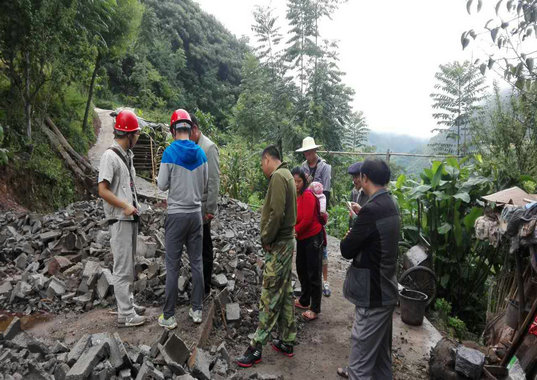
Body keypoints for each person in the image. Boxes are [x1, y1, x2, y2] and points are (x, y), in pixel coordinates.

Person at [338, 159, 400, 380]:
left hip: (373, 295)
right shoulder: (390, 204)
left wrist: (355, 227)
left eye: (359, 177)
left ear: (365, 178)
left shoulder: (371, 211)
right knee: (381, 360)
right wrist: (362, 215)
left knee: (360, 365)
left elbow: (346, 249)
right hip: (386, 290)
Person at [236, 145, 297, 368]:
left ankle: (256, 347)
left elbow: (277, 213)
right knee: (285, 291)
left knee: (269, 294)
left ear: (268, 159)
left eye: (262, 163)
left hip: (279, 243)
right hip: (286, 242)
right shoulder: (288, 175)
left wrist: (267, 238)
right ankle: (288, 340)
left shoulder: (279, 177)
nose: (262, 168)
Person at [157, 109, 208, 328]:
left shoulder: (169, 152)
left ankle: (168, 316)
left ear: (173, 130)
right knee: (197, 263)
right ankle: (197, 310)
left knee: (173, 265)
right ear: (189, 129)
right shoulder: (201, 153)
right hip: (195, 215)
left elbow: (161, 185)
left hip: (176, 215)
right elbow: (205, 185)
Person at [98, 109, 146, 327]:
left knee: (129, 264)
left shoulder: (127, 155)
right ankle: (125, 314)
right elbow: (103, 190)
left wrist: (132, 206)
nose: (137, 137)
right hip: (119, 219)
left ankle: (129, 304)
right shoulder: (110, 156)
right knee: (122, 267)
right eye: (136, 134)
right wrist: (125, 206)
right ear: (129, 135)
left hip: (129, 217)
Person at [296, 136, 333, 297]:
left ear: (315, 151)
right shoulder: (303, 167)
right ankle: (308, 288)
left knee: (320, 249)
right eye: (305, 152)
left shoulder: (324, 167)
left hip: (317, 211)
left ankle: (324, 281)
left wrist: (321, 212)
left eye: (310, 151)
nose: (307, 155)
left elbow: (326, 192)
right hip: (305, 208)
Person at [189, 114, 220, 297]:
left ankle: (205, 287)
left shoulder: (208, 147)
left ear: (194, 129)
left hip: (202, 208)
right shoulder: (193, 146)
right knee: (196, 247)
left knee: (204, 247)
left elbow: (214, 181)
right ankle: (198, 285)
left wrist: (210, 209)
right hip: (192, 205)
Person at [293, 168, 323, 321]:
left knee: (314, 272)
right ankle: (305, 300)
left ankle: (315, 307)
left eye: (299, 181)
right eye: (294, 181)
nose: (296, 184)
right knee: (301, 268)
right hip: (302, 238)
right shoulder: (294, 196)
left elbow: (307, 219)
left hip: (312, 238)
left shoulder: (308, 195)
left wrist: (294, 230)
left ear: (304, 182)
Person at [347, 162, 369, 229]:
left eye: (356, 177)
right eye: (353, 177)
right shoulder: (354, 192)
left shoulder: (369, 193)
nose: (354, 180)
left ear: (364, 177)